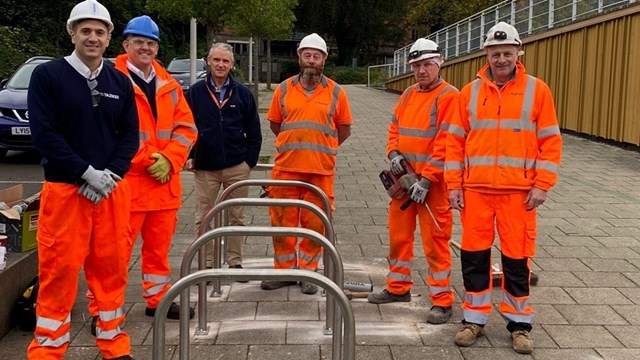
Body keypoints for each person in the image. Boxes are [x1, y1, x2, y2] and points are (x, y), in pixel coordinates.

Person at [26, 1, 139, 359]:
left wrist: (111, 174)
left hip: (111, 192)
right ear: (72, 32)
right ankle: (47, 350)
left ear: (109, 39)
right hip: (66, 192)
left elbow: (129, 136)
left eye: (100, 32)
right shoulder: (48, 77)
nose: (93, 38)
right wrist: (84, 172)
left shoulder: (119, 82)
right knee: (58, 271)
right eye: (85, 30)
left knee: (112, 269)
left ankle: (114, 346)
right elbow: (45, 134)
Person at [445, 22, 562, 354]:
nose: (501, 59)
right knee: (474, 259)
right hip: (476, 193)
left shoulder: (537, 90)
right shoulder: (469, 93)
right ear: (486, 54)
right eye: (495, 54)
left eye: (507, 53)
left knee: (516, 260)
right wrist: (454, 185)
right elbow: (455, 143)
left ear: (518, 53)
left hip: (518, 194)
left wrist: (543, 185)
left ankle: (520, 324)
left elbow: (550, 141)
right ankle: (474, 319)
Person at [86, 15, 198, 330]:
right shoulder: (108, 80)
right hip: (127, 186)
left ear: (157, 47)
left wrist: (172, 159)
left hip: (163, 186)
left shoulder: (169, 84)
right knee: (112, 254)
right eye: (139, 42)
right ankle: (104, 310)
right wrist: (154, 159)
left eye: (151, 43)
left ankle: (158, 299)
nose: (145, 47)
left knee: (158, 251)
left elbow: (187, 128)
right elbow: (109, 132)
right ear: (125, 45)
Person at [367, 38, 457, 325]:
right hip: (405, 181)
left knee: (436, 243)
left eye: (427, 64)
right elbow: (394, 127)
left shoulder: (449, 96)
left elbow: (446, 143)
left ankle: (442, 301)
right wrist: (393, 152)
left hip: (434, 187)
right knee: (398, 236)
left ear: (439, 62)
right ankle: (398, 287)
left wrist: (428, 180)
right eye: (416, 65)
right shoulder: (407, 94)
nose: (421, 71)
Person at [261, 33, 353, 295]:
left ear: (324, 60)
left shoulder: (336, 91)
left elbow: (344, 129)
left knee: (315, 224)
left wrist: (324, 147)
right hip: (286, 169)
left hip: (320, 172)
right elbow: (275, 123)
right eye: (307, 55)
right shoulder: (284, 89)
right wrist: (296, 144)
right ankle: (285, 272)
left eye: (317, 56)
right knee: (282, 223)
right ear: (299, 57)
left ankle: (309, 273)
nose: (311, 60)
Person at [185, 42, 262, 272]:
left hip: (237, 166)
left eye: (225, 61)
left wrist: (249, 162)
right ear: (208, 61)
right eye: (216, 60)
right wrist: (190, 155)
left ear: (232, 64)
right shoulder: (196, 92)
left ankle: (234, 262)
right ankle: (207, 266)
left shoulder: (243, 93)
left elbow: (254, 131)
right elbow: (185, 127)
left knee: (236, 217)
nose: (220, 65)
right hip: (205, 167)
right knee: (204, 219)